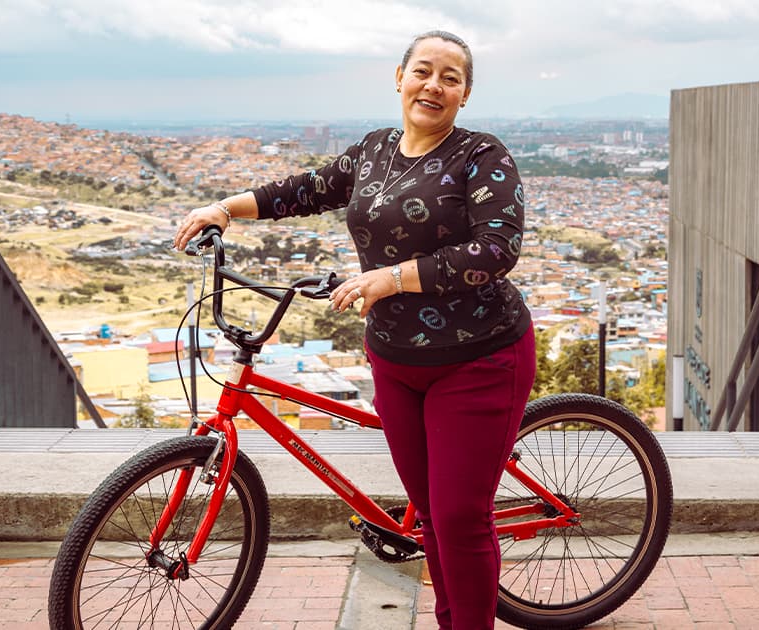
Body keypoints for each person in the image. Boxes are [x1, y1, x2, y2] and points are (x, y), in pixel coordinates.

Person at [173, 30, 535, 630]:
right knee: (428, 513)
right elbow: (306, 189)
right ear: (399, 78)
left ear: (465, 94)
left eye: (451, 77)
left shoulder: (481, 155)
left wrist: (390, 279)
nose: (434, 85)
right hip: (396, 360)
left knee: (459, 519)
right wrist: (224, 209)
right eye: (423, 71)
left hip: (479, 358)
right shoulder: (374, 151)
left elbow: (497, 249)